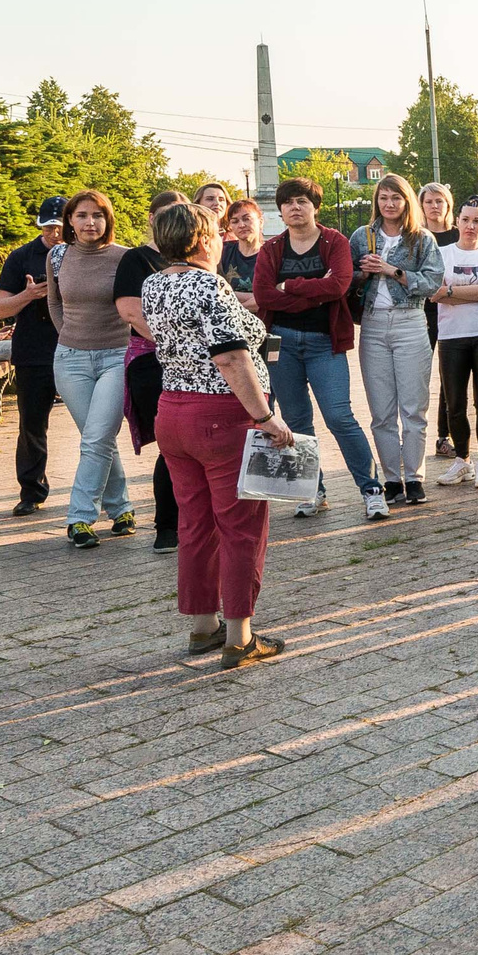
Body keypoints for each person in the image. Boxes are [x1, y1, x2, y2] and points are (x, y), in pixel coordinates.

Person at [141, 200, 292, 668]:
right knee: (241, 525)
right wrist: (266, 417)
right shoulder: (209, 285)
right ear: (204, 239)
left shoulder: (152, 284)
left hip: (173, 411)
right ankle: (240, 636)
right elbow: (230, 357)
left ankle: (203, 625)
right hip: (221, 416)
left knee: (196, 524)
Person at [254, 175, 385, 520]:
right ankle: (313, 491)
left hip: (324, 343)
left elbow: (340, 286)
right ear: (280, 211)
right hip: (280, 343)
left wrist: (289, 288)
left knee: (340, 417)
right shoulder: (270, 250)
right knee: (296, 422)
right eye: (289, 203)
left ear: (315, 207)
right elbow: (265, 296)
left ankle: (371, 490)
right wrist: (313, 289)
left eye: (303, 202)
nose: (295, 208)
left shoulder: (334, 242)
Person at [47, 189, 137, 548]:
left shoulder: (126, 258)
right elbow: (55, 303)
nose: (90, 223)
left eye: (97, 216)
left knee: (97, 437)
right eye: (82, 215)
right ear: (69, 220)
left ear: (107, 220)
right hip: (70, 360)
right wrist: (69, 337)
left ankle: (80, 517)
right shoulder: (57, 256)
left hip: (117, 355)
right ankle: (122, 508)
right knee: (96, 438)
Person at [353, 173, 444, 505]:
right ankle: (392, 479)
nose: (389, 204)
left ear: (407, 201)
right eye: (383, 198)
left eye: (395, 198)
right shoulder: (362, 237)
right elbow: (345, 279)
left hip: (410, 321)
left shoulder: (421, 239)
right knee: (381, 410)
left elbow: (433, 282)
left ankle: (415, 477)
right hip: (373, 325)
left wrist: (393, 271)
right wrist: (362, 273)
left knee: (413, 407)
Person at [117, 190, 184, 550]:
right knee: (172, 446)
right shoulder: (137, 259)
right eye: (163, 214)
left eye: (178, 213)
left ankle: (195, 520)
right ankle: (167, 527)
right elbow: (130, 311)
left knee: (194, 442)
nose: (170, 221)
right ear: (151, 219)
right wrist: (176, 342)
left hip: (195, 362)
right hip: (151, 360)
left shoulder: (198, 260)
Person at [0, 197, 66, 516]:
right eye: (48, 227)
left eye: (60, 226)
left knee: (95, 424)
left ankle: (105, 491)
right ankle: (31, 490)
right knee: (32, 424)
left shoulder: (84, 255)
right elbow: (0, 309)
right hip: (34, 351)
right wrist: (27, 296)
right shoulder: (22, 257)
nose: (55, 232)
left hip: (76, 347)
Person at [432, 197, 478, 488]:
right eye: (465, 219)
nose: (470, 226)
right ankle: (462, 460)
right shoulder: (442, 254)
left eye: (477, 221)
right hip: (452, 335)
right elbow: (432, 292)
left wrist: (450, 291)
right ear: (457, 221)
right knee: (454, 403)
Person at [420, 182, 461, 459]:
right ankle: (412, 436)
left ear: (448, 205)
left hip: (455, 313)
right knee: (418, 377)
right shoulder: (416, 236)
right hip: (422, 314)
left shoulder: (459, 236)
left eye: (440, 201)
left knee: (451, 379)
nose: (435, 206)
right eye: (429, 201)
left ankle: (444, 436)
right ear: (421, 206)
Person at [219, 198, 265, 296]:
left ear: (260, 222)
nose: (241, 225)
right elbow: (217, 293)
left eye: (246, 219)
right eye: (235, 221)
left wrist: (232, 299)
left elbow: (272, 297)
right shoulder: (223, 251)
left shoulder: (272, 253)